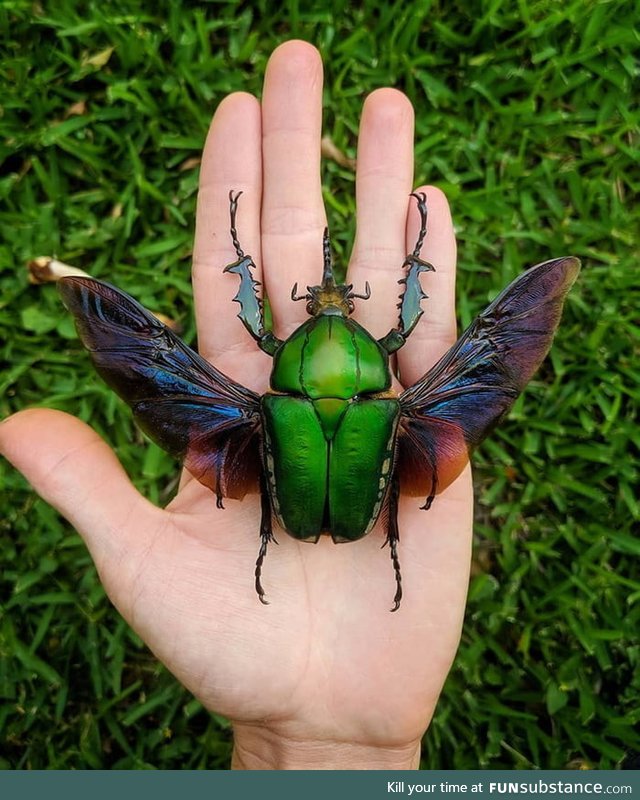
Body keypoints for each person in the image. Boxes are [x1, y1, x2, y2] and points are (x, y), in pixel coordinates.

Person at [0, 40, 473, 769]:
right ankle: (390, 556)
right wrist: (414, 273)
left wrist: (244, 270)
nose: (328, 304)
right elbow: (408, 330)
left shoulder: (266, 401)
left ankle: (285, 542)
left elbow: (254, 326)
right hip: (356, 510)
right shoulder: (390, 400)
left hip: (283, 513)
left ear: (291, 344)